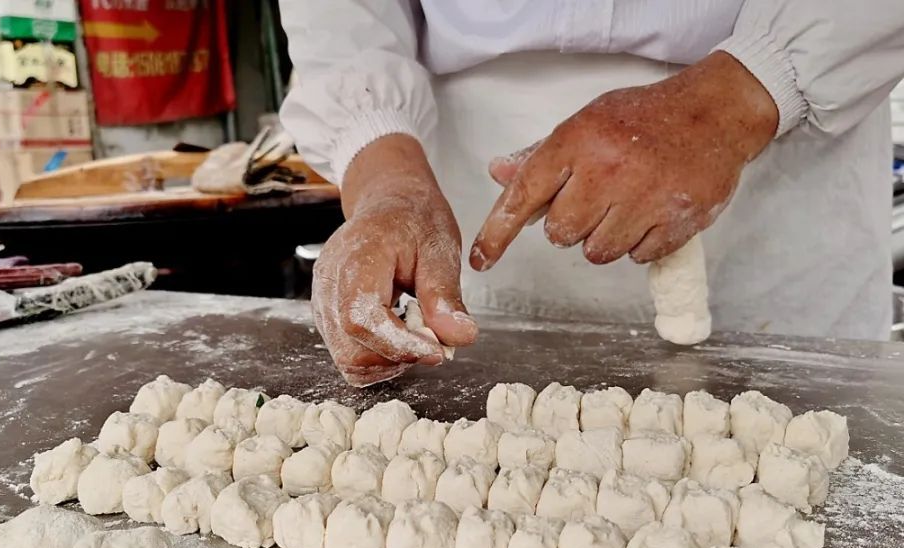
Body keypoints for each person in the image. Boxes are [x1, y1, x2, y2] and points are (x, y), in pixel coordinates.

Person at [277, 1, 904, 386]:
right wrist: (386, 174)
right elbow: (341, 13)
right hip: (464, 174)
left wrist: (741, 94)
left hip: (785, 143)